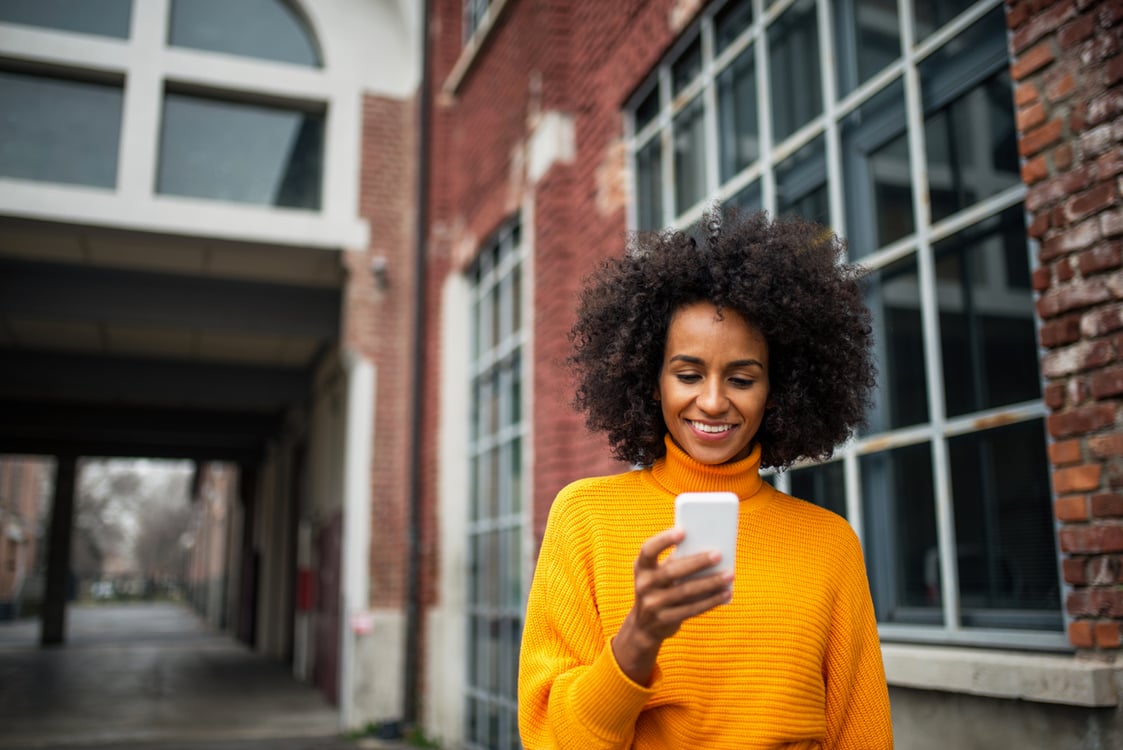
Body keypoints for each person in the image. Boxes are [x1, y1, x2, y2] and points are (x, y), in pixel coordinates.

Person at [518, 208, 893, 749]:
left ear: (777, 390)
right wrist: (637, 640)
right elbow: (552, 740)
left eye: (741, 378)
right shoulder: (585, 519)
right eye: (688, 374)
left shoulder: (830, 543)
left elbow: (864, 735)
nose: (713, 402)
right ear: (652, 380)